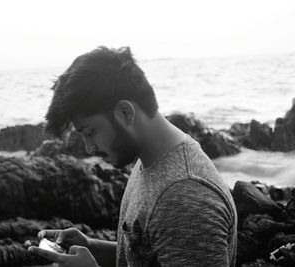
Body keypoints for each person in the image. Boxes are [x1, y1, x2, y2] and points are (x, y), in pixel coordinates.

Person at [28, 46, 238, 266]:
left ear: (125, 113)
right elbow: (148, 254)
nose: (89, 148)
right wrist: (92, 247)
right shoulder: (152, 161)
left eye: (90, 132)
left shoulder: (185, 197)